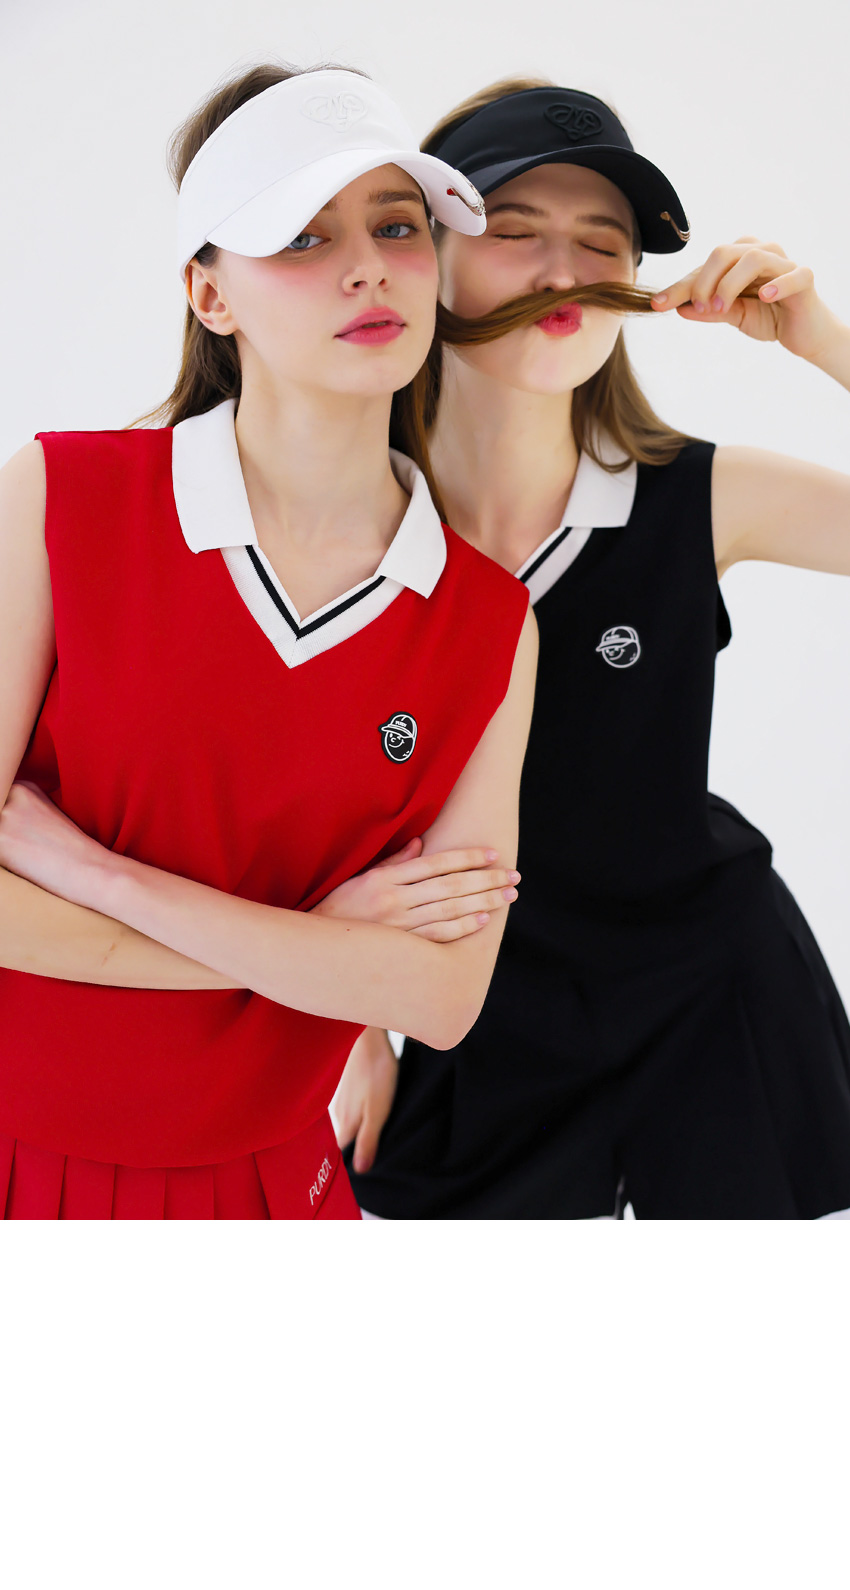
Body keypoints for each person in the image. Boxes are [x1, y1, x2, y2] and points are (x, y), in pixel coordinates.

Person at [0, 64, 538, 1219]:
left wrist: (97, 878)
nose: (366, 267)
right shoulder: (62, 499)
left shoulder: (488, 621)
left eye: (397, 226)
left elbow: (441, 1000)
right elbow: (383, 977)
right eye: (301, 236)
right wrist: (317, 950)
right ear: (210, 296)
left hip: (275, 1189)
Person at [338, 79, 850, 1220]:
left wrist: (818, 337)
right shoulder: (349, 524)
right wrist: (350, 1026)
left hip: (718, 1002)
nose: (562, 272)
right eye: (515, 232)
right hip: (477, 1019)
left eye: (601, 244)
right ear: (427, 257)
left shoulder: (701, 496)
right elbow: (289, 800)